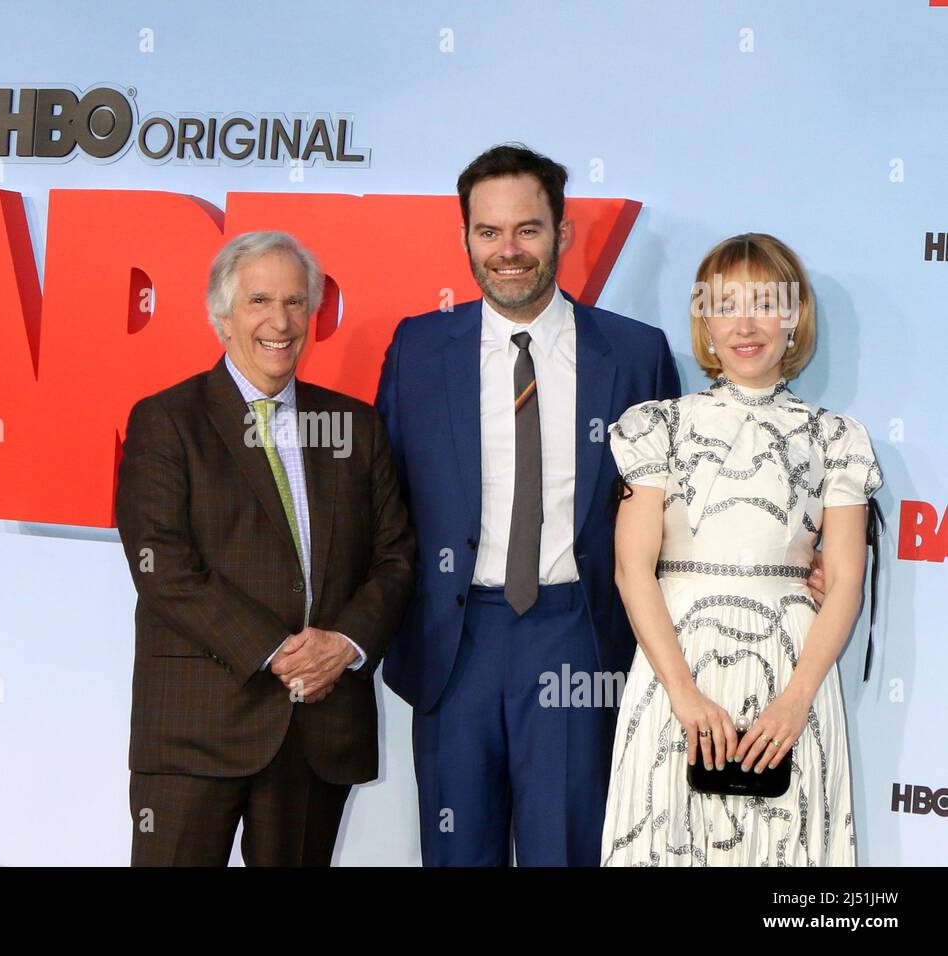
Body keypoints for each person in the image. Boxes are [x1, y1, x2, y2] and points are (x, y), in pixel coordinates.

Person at [375, 144, 687, 865]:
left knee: (568, 851)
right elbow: (379, 501)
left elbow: (679, 507)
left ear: (562, 233)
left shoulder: (636, 354)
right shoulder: (419, 349)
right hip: (455, 645)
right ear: (464, 238)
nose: (508, 251)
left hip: (577, 635)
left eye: (528, 229)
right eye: (488, 232)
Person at [115, 231, 414, 866]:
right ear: (221, 317)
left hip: (317, 728)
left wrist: (345, 645)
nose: (280, 322)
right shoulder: (166, 421)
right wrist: (278, 651)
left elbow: (396, 558)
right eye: (258, 301)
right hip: (198, 729)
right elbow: (163, 567)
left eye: (295, 302)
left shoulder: (355, 427)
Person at [601, 233, 881, 866]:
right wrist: (684, 695)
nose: (746, 324)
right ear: (705, 319)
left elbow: (843, 583)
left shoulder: (838, 439)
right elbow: (631, 571)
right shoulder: (658, 427)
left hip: (792, 674)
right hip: (676, 668)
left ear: (795, 317)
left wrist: (795, 702)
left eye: (765, 302)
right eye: (726, 305)